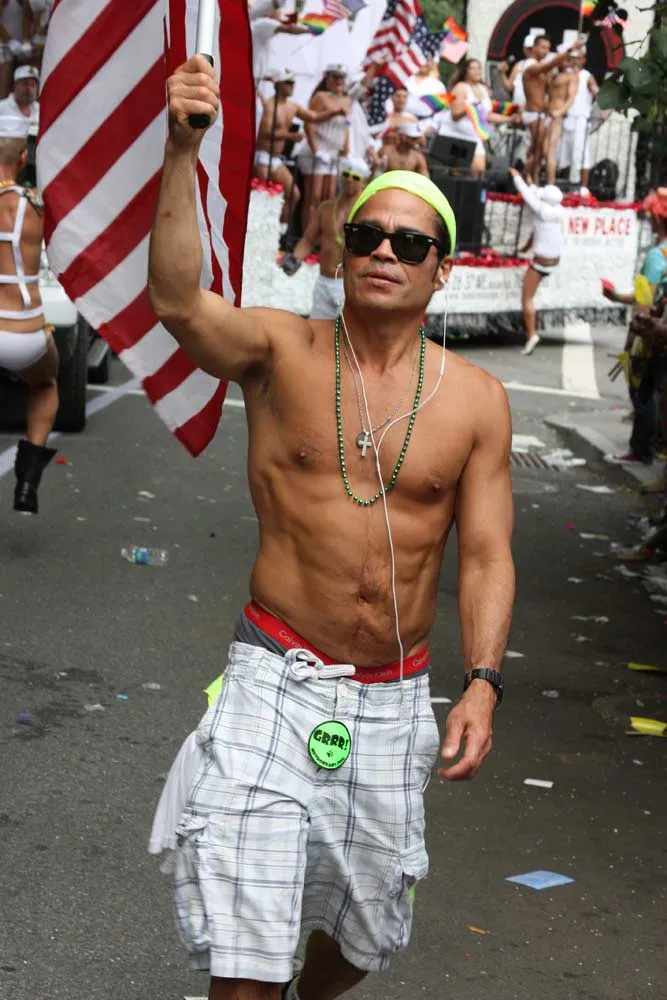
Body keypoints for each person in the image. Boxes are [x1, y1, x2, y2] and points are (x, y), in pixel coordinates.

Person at [148, 54, 515, 1000]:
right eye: (366, 235)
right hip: (275, 678)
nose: (384, 252)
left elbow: (484, 554)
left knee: (365, 931)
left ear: (441, 270)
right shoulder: (281, 349)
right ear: (340, 251)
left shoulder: (476, 401)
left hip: (393, 699)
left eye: (408, 242)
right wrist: (181, 151)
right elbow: (179, 304)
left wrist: (481, 683)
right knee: (247, 955)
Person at [0, 113, 58, 513]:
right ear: (23, 158)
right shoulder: (37, 204)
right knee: (46, 385)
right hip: (26, 331)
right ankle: (27, 483)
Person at [603, 188, 667, 464]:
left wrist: (633, 341)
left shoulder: (656, 256)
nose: (648, 217)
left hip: (652, 335)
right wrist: (617, 296)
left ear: (658, 218)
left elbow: (645, 301)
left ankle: (642, 450)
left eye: (650, 213)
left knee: (642, 392)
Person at [280, 157, 370, 319]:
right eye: (346, 175)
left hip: (349, 283)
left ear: (363, 182)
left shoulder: (366, 213)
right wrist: (294, 259)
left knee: (345, 332)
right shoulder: (325, 209)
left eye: (356, 177)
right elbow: (308, 240)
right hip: (323, 281)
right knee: (318, 329)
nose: (349, 180)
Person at [254, 71, 345, 225]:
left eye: (293, 83)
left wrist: (335, 112)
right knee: (262, 197)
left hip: (275, 159)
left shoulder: (293, 106)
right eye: (288, 83)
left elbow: (314, 117)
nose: (292, 86)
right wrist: (290, 136)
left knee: (294, 195)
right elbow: (265, 133)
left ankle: (279, 230)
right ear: (279, 85)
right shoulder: (270, 105)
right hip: (263, 157)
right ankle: (259, 230)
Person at [509, 166, 565, 356]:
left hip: (541, 262)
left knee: (526, 298)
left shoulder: (541, 209)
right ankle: (531, 331)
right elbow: (535, 193)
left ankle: (532, 335)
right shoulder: (559, 211)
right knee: (531, 294)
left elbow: (527, 194)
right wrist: (531, 181)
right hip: (553, 260)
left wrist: (517, 177)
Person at [429, 58, 517, 176]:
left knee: (479, 171)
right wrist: (470, 108)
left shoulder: (484, 89)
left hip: (473, 136)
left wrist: (509, 119)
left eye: (479, 68)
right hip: (456, 135)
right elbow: (455, 115)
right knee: (460, 171)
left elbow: (486, 115)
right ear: (466, 71)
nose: (477, 71)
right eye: (472, 68)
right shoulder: (461, 87)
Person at [297, 65, 351, 230]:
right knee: (314, 197)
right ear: (328, 79)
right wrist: (316, 150)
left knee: (329, 198)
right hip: (318, 151)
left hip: (334, 152)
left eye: (341, 78)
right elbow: (309, 123)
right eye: (335, 77)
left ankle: (320, 237)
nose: (339, 81)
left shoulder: (347, 100)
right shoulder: (320, 97)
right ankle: (306, 235)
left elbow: (345, 126)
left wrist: (346, 149)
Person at [522, 36, 583, 182]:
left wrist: (560, 111)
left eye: (548, 48)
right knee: (538, 152)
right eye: (543, 47)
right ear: (534, 48)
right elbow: (550, 65)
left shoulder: (566, 76)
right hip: (535, 114)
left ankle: (531, 181)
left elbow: (569, 97)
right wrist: (570, 49)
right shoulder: (531, 66)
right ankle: (522, 178)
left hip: (547, 114)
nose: (546, 51)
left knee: (539, 151)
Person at [558, 48, 599, 195]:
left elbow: (596, 91)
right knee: (563, 153)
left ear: (584, 60)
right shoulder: (565, 74)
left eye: (579, 58)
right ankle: (564, 185)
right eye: (574, 58)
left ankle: (583, 186)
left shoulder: (587, 76)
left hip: (580, 119)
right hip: (565, 117)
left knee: (580, 152)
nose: (576, 61)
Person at [544, 46, 577, 185]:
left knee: (548, 150)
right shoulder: (554, 73)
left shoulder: (571, 77)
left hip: (557, 116)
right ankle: (535, 181)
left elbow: (571, 98)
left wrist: (560, 112)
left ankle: (550, 183)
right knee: (539, 149)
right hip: (547, 113)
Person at [498, 35, 534, 109]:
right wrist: (502, 73)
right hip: (517, 108)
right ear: (524, 49)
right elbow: (509, 86)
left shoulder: (544, 64)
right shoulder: (519, 64)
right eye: (528, 48)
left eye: (532, 48)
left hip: (533, 110)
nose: (530, 51)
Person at [0, 63, 38, 130]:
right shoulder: (2, 108)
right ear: (15, 85)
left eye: (33, 85)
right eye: (25, 84)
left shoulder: (41, 110)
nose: (29, 89)